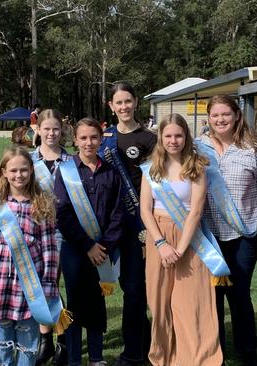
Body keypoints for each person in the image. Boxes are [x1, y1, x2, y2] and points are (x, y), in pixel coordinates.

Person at [139, 113, 224, 366]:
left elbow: (196, 210)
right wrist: (161, 244)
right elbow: (145, 209)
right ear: (160, 138)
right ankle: (162, 356)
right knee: (159, 301)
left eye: (178, 135)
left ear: (186, 137)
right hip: (159, 238)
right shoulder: (150, 168)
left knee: (191, 302)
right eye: (168, 135)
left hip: (190, 239)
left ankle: (195, 358)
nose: (173, 140)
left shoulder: (196, 165)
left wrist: (181, 248)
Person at [0, 146, 64, 366]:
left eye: (24, 170)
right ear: (4, 171)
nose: (18, 175)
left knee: (29, 340)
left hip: (31, 287)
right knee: (1, 338)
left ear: (31, 171)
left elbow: (49, 248)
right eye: (13, 170)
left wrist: (49, 284)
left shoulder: (41, 203)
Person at [197, 95, 257, 364]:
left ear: (237, 116)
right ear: (209, 119)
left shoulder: (255, 151)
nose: (221, 120)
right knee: (211, 296)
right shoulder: (197, 149)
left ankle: (247, 351)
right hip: (208, 236)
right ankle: (217, 352)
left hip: (244, 236)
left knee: (239, 294)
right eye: (215, 115)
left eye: (226, 114)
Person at [54, 117, 125, 366]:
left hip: (103, 251)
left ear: (100, 138)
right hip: (74, 249)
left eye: (94, 137)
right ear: (75, 140)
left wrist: (103, 246)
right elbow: (62, 213)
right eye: (83, 138)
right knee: (75, 301)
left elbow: (118, 213)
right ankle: (74, 358)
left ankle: (96, 357)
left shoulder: (111, 173)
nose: (89, 142)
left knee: (96, 301)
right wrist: (87, 245)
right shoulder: (65, 172)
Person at [101, 82, 155, 366]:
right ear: (111, 106)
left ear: (136, 102)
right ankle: (138, 347)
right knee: (123, 285)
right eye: (118, 103)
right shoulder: (104, 138)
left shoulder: (148, 138)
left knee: (136, 289)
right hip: (110, 225)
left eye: (128, 101)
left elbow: (159, 183)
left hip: (140, 224)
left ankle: (136, 352)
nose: (123, 107)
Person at [30, 109, 72, 366]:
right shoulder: (28, 159)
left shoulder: (71, 161)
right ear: (39, 130)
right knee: (41, 287)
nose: (51, 133)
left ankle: (63, 342)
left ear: (62, 130)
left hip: (63, 231)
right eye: (46, 129)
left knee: (52, 285)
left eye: (56, 129)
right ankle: (46, 341)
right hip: (33, 231)